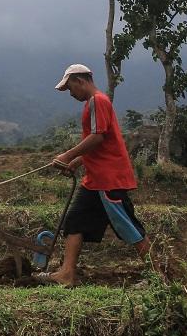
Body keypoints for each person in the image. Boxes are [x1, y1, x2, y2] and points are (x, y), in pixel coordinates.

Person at [36, 63, 152, 287]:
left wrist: (68, 156)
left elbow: (98, 137)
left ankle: (161, 274)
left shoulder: (98, 101)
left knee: (127, 226)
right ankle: (66, 274)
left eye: (70, 88)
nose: (70, 94)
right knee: (75, 221)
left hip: (109, 179)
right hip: (95, 179)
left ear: (81, 81)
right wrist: (78, 162)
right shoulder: (94, 102)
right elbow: (99, 143)